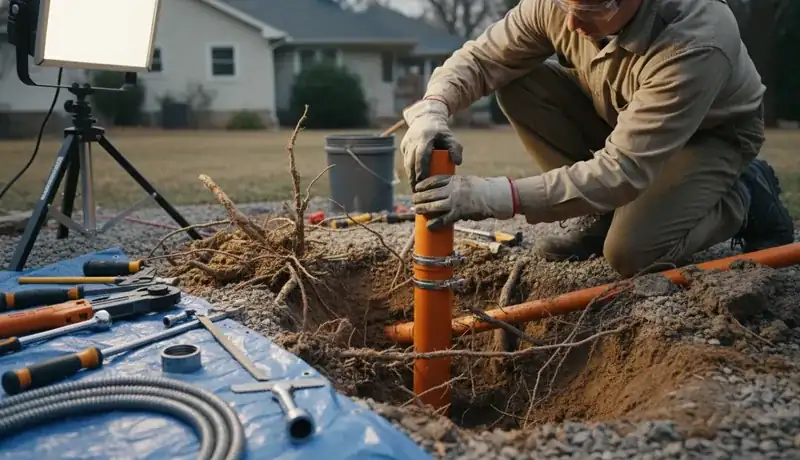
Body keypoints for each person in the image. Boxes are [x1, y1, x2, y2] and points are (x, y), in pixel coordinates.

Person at [401, 0, 794, 277]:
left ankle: (743, 198)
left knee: (631, 254)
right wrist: (432, 108)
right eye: (565, 6)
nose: (571, 24)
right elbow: (482, 59)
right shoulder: (561, 7)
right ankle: (602, 215)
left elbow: (622, 170)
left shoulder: (695, 38)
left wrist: (492, 196)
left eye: (589, 9)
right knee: (519, 84)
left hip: (709, 135)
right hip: (620, 114)